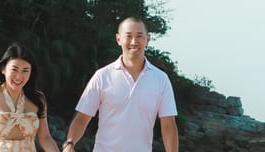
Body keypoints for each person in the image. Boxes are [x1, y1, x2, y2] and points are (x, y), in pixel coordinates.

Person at [62, 17, 179, 152]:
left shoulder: (161, 79)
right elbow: (82, 118)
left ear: (148, 39)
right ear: (119, 39)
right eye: (128, 36)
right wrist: (70, 143)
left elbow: (168, 125)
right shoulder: (102, 76)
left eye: (139, 36)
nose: (134, 42)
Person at [0, 43, 60, 152]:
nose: (19, 76)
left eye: (25, 71)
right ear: (3, 69)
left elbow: (45, 138)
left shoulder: (38, 99)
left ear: (31, 72)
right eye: (14, 69)